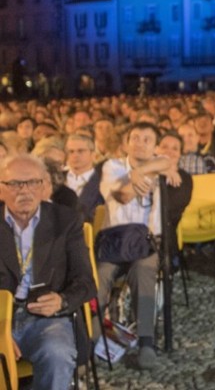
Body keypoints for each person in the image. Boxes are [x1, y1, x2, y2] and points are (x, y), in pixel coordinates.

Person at [96, 122, 192, 370]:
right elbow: (123, 195)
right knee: (100, 278)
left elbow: (165, 161)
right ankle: (91, 337)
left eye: (147, 139)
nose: (139, 142)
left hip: (147, 243)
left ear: (154, 145)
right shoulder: (112, 166)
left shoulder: (161, 164)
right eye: (135, 138)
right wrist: (141, 173)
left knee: (144, 271)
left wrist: (145, 170)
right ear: (126, 142)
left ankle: (146, 342)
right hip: (115, 242)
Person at [0, 153, 96, 389]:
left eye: (33, 182)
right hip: (1, 316)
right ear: (1, 189)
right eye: (14, 184)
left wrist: (62, 301)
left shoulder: (66, 220)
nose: (25, 191)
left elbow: (85, 281)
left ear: (44, 186)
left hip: (46, 317)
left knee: (57, 353)